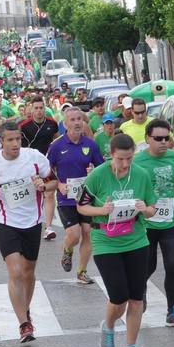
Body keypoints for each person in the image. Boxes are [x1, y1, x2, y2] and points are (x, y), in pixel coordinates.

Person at [77, 133, 157, 347]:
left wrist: (144, 208)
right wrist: (102, 210)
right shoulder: (98, 175)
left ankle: (131, 346)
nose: (125, 164)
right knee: (119, 295)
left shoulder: (140, 174)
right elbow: (82, 207)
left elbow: (152, 208)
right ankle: (109, 326)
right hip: (106, 241)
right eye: (120, 159)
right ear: (111, 155)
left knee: (136, 297)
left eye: (129, 159)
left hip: (136, 239)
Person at [0, 120, 56, 343]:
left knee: (28, 272)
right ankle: (24, 323)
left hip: (32, 221)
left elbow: (54, 182)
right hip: (5, 221)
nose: (15, 144)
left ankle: (25, 309)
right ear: (1, 141)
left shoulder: (34, 157)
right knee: (15, 271)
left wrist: (43, 186)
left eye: (18, 139)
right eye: (10, 140)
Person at [134, 118, 174, 327]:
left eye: (166, 138)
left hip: (170, 222)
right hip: (147, 224)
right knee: (147, 266)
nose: (162, 142)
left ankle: (172, 311)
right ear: (147, 139)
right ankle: (139, 292)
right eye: (157, 138)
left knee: (171, 265)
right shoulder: (137, 161)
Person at [48, 106, 103, 285]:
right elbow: (46, 170)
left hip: (87, 197)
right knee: (74, 234)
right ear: (65, 124)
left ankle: (82, 271)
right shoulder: (56, 146)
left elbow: (101, 168)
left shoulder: (91, 144)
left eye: (79, 119)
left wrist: (94, 171)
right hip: (67, 197)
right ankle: (67, 249)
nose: (77, 122)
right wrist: (59, 183)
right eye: (72, 120)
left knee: (87, 232)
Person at [19, 95, 61, 240]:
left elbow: (57, 140)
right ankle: (30, 224)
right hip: (30, 165)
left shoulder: (52, 123)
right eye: (36, 108)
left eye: (41, 108)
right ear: (31, 109)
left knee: (49, 193)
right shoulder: (24, 126)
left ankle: (48, 227)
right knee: (33, 194)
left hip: (47, 164)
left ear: (45, 108)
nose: (39, 111)